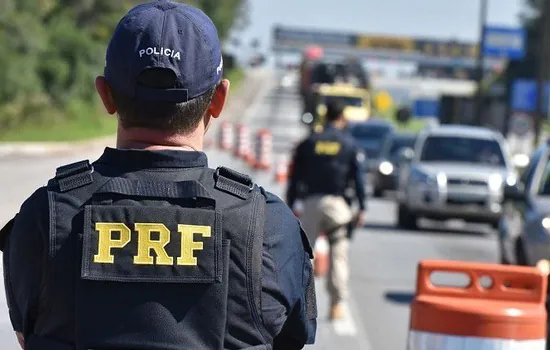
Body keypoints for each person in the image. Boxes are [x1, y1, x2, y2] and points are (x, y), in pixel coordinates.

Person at [0, 1, 317, 349]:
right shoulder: (268, 226)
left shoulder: (44, 215)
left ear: (106, 95)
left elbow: (26, 335)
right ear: (219, 99)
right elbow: (291, 339)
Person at [286, 100, 367, 320]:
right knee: (339, 254)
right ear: (342, 118)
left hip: (312, 204)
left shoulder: (310, 142)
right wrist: (362, 207)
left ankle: (297, 304)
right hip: (337, 206)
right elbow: (358, 178)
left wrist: (290, 203)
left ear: (325, 116)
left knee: (304, 256)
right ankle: (336, 305)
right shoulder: (349, 144)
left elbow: (294, 177)